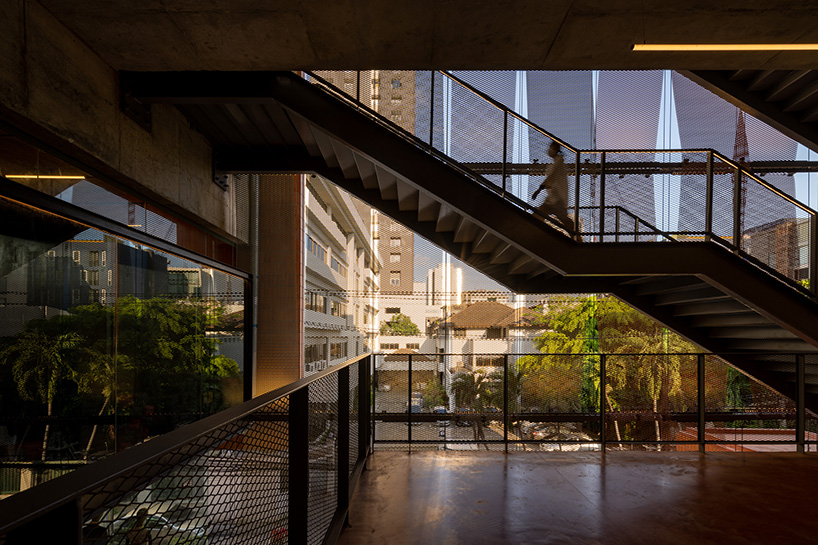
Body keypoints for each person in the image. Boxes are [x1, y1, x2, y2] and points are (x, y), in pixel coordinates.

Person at [532, 142, 577, 236]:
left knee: (539, 216)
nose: (549, 150)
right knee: (540, 215)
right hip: (553, 198)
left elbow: (551, 177)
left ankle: (577, 238)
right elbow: (551, 179)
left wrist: (539, 190)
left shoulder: (559, 163)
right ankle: (577, 238)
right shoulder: (557, 163)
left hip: (557, 199)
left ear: (555, 150)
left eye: (551, 148)